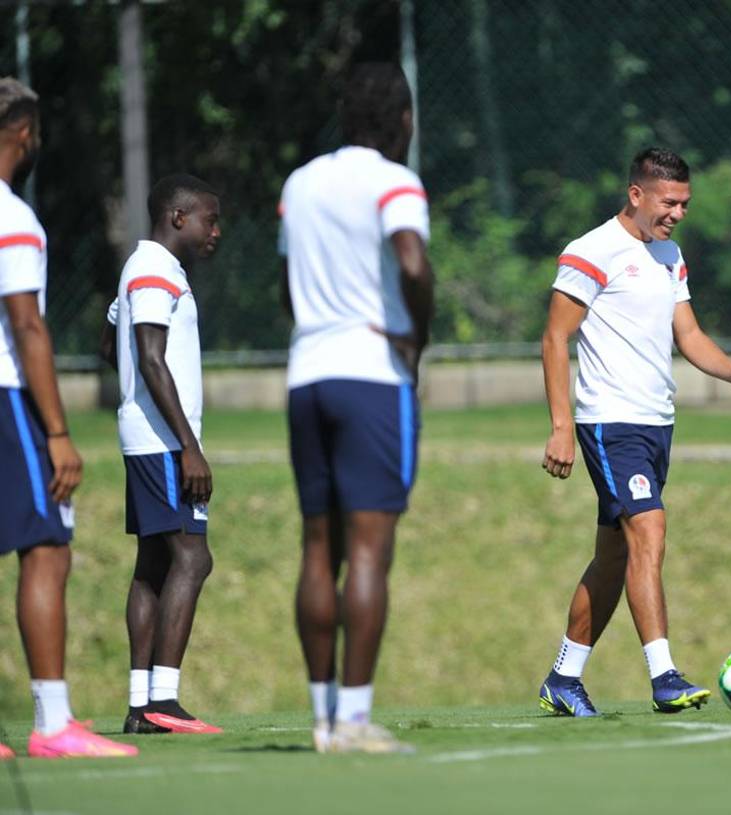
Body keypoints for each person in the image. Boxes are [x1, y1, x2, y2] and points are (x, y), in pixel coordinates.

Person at [537, 147, 731, 717]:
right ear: (636, 194)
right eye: (669, 202)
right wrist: (562, 427)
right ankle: (664, 675)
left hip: (656, 423)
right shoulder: (591, 252)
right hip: (608, 422)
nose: (678, 213)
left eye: (685, 203)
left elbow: (687, 334)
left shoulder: (669, 254)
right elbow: (553, 339)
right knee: (650, 531)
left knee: (615, 558)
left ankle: (563, 678)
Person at [279, 63, 433, 753]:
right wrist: (416, 338)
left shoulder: (299, 183)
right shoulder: (396, 181)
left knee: (320, 547)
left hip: (305, 372)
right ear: (402, 119)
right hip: (371, 373)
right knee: (370, 550)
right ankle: (356, 718)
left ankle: (320, 718)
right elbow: (411, 261)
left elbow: (288, 284)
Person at [0, 77, 136, 759]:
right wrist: (56, 432)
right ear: (23, 132)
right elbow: (27, 328)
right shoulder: (13, 219)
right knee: (47, 548)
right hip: (5, 399)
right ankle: (54, 722)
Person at [100, 174, 222, 734]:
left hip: (146, 437)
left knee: (154, 566)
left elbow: (112, 344)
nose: (214, 232)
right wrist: (188, 447)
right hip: (163, 443)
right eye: (208, 220)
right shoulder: (152, 270)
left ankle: (139, 705)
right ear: (178, 217)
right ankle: (164, 702)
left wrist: (129, 401)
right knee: (193, 559)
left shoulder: (149, 270)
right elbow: (150, 357)